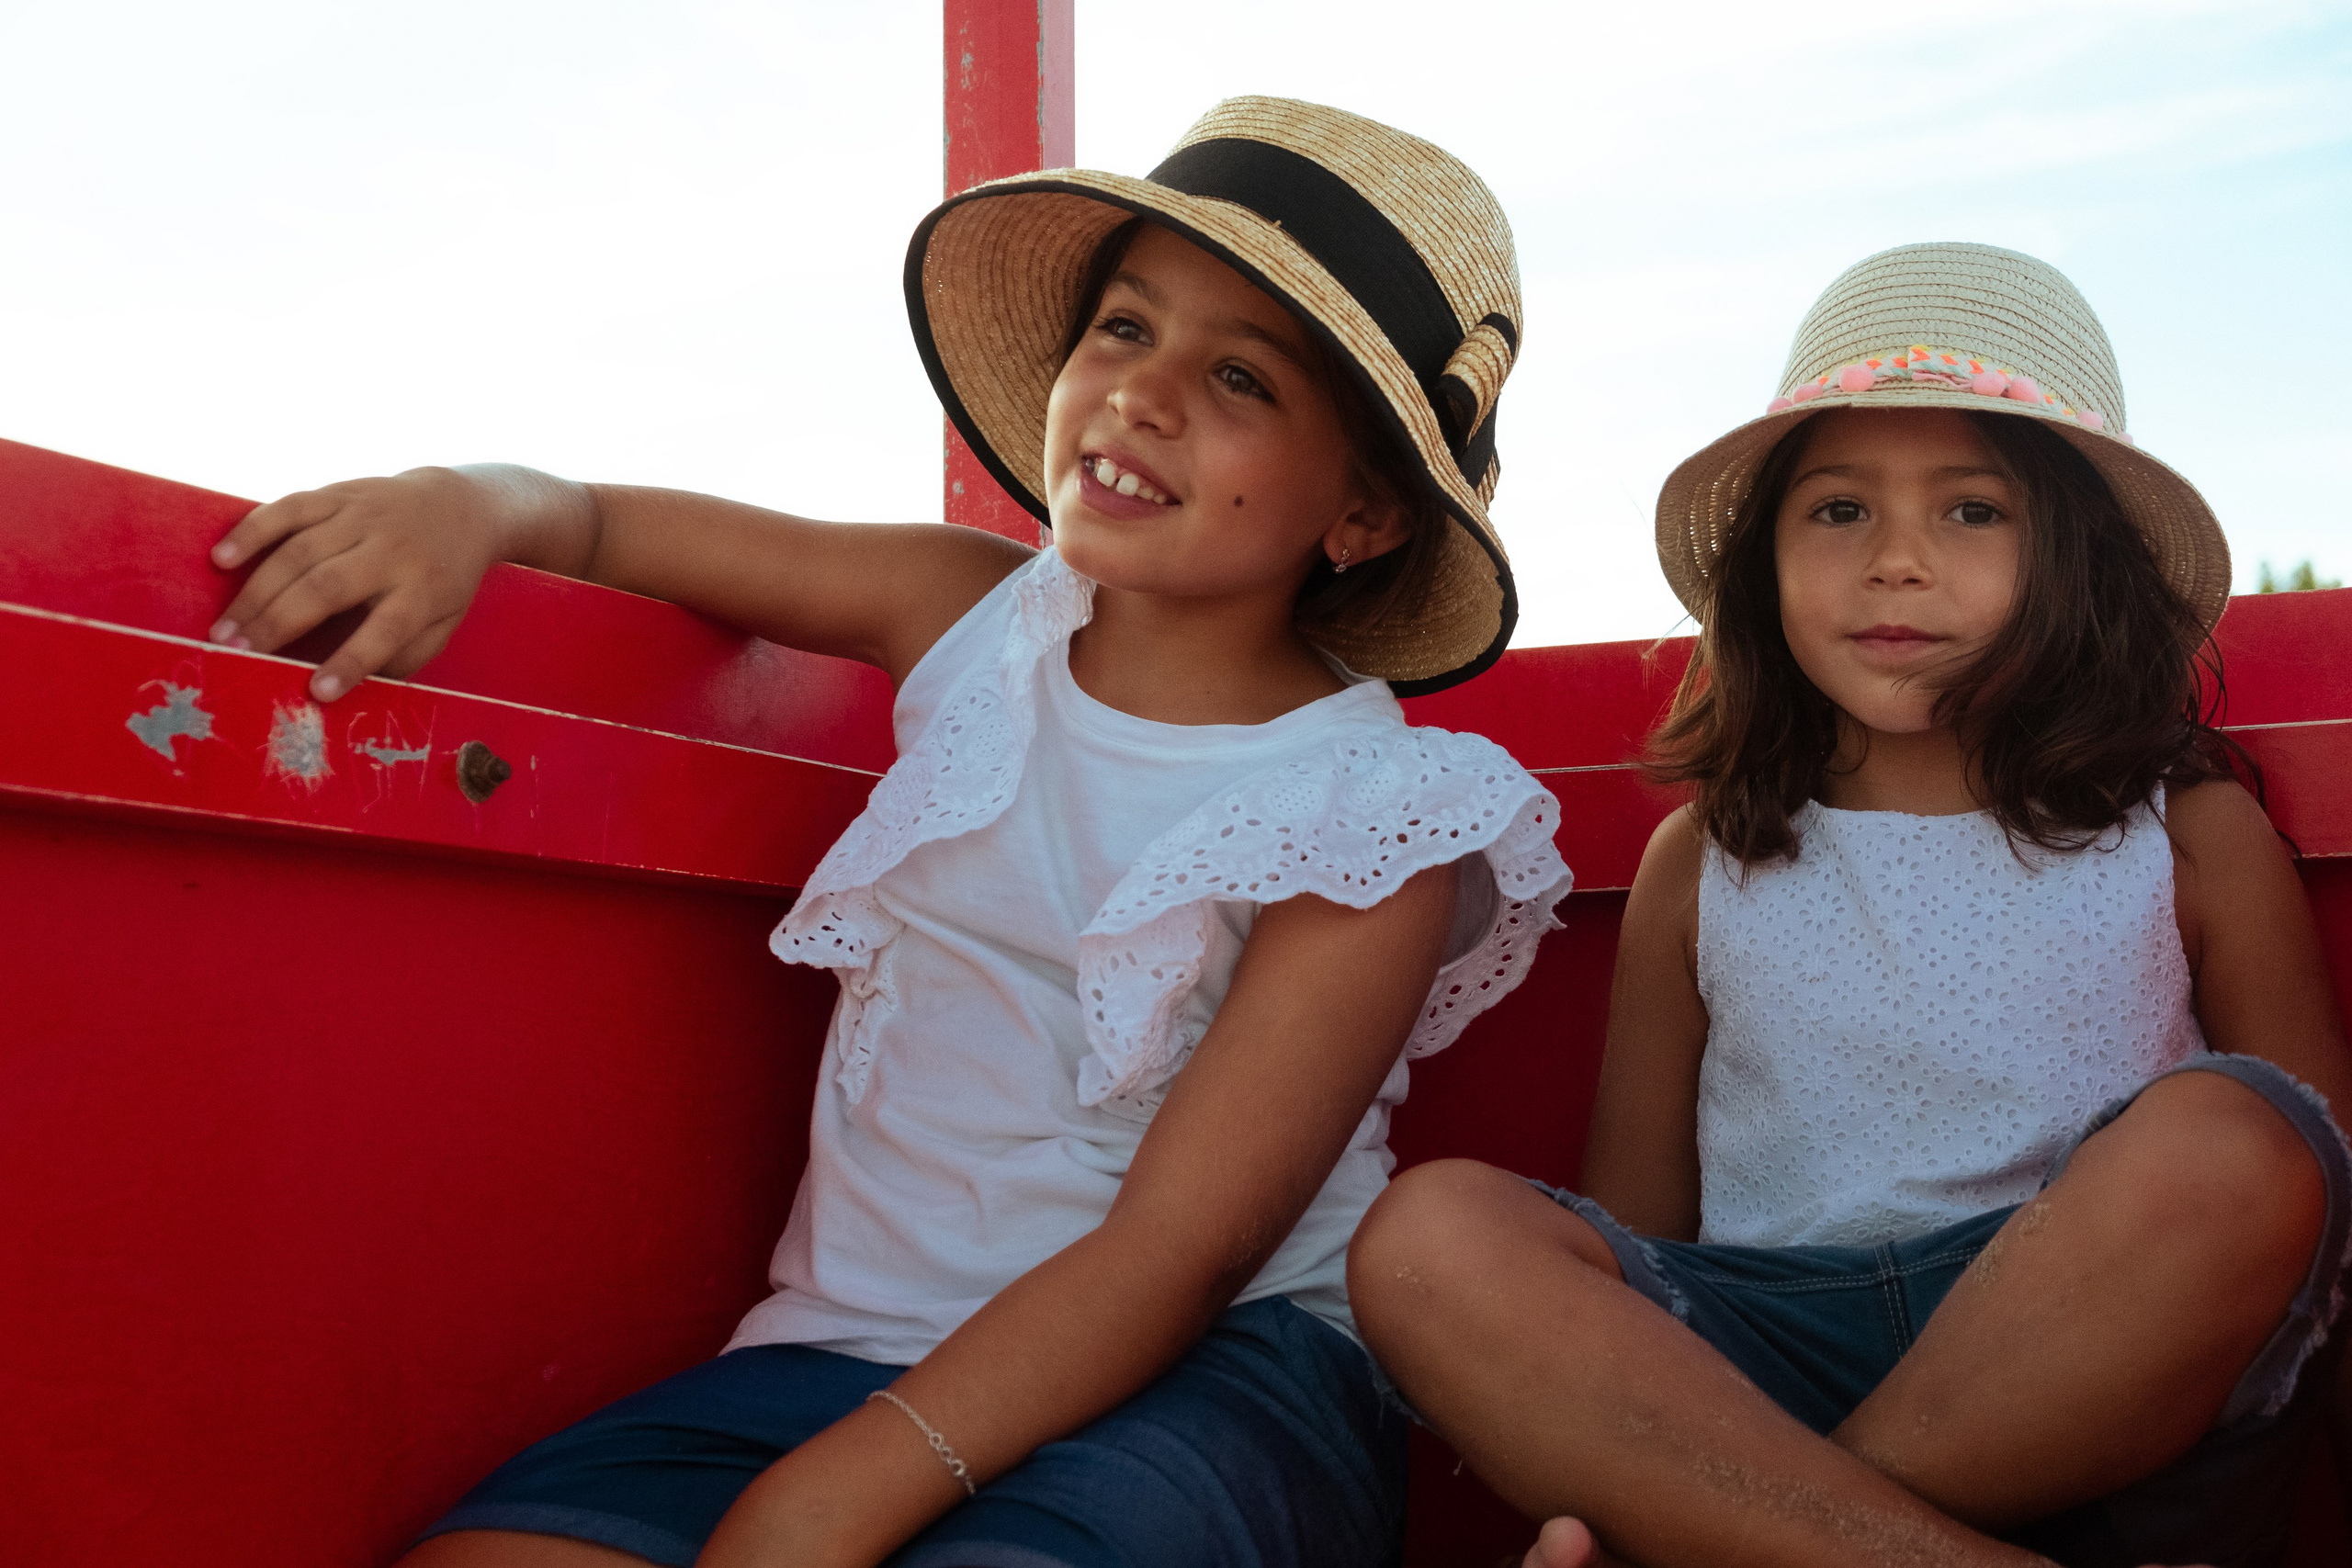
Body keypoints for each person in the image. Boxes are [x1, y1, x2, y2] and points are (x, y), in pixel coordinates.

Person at [202, 98, 1573, 1568]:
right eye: (1124, 328)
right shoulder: (964, 613)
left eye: (1239, 376)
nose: (1140, 394)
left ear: (1366, 514)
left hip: (1220, 1378)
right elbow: (601, 527)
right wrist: (466, 504)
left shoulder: (1378, 815)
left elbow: (1183, 1250)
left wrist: (834, 1500)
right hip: (845, 1352)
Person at [1347, 243, 2352, 1568]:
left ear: (2082, 560)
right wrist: (1621, 1437)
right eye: (1838, 510)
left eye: (1973, 510)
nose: (1896, 561)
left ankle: (1780, 1539)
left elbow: (2318, 1220)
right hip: (1764, 1367)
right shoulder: (1704, 860)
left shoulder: (2187, 836)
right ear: (1764, 559)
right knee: (1429, 1240)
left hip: (2089, 1386)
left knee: (2239, 1142)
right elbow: (1633, 1243)